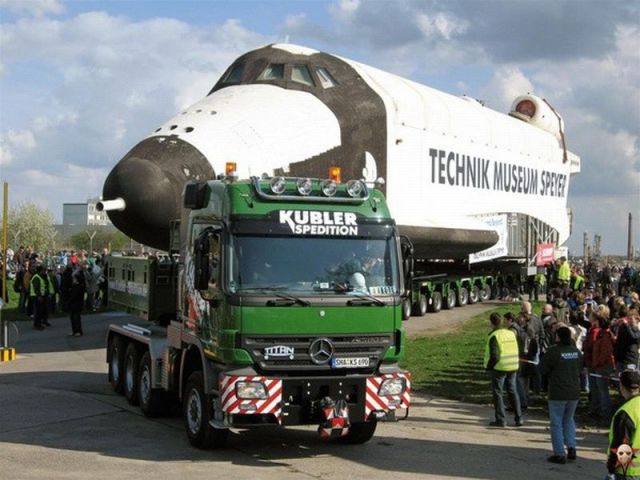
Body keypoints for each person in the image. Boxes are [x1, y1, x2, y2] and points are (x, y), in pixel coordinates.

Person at [542, 326, 583, 464]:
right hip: (574, 391)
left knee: (556, 423)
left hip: (558, 392)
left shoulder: (554, 351)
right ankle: (571, 447)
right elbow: (581, 368)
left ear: (558, 337)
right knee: (569, 420)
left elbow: (542, 369)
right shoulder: (576, 352)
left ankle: (559, 453)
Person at [484, 312, 523, 427]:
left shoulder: (494, 336)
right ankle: (519, 418)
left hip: (500, 367)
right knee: (513, 391)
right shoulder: (510, 333)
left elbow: (494, 356)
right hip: (513, 365)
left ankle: (501, 419)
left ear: (491, 323)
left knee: (498, 393)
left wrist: (489, 367)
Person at [606, 369, 640, 480]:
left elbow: (621, 444)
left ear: (621, 387)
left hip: (628, 471)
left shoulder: (626, 412)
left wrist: (611, 466)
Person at [30, 264, 50, 330]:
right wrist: (39, 296)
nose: (45, 271)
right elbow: (36, 288)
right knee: (38, 311)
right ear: (40, 271)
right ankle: (37, 324)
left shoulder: (43, 276)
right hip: (37, 296)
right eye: (44, 270)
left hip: (43, 295)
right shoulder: (36, 277)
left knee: (44, 310)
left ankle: (43, 321)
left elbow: (45, 285)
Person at [68, 272, 85, 337]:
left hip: (77, 304)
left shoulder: (79, 287)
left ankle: (78, 331)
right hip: (73, 304)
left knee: (76, 318)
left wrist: (69, 300)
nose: (73, 280)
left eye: (74, 279)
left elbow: (75, 296)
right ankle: (74, 330)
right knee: (72, 318)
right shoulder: (74, 286)